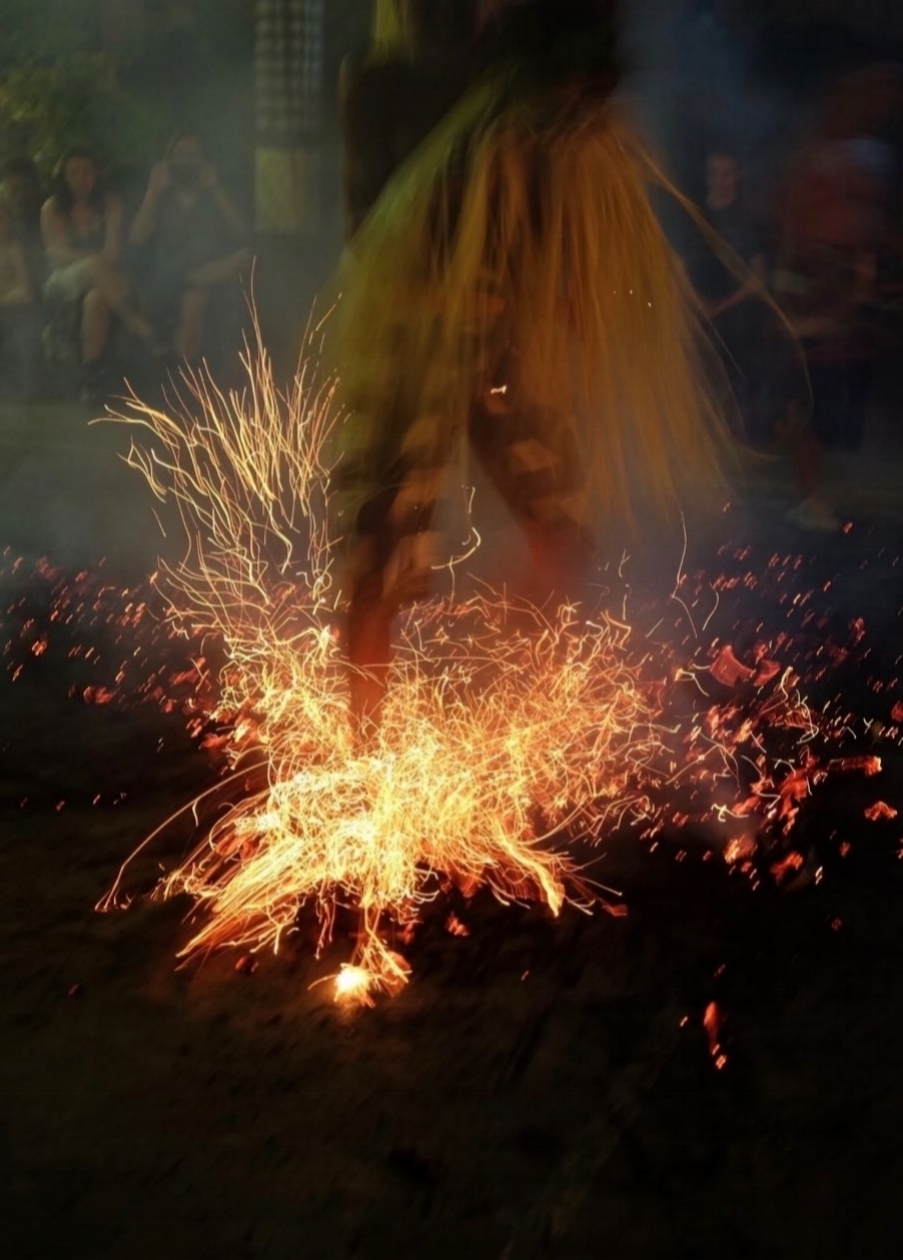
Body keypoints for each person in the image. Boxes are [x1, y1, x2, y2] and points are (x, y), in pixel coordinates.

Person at [330, 0, 736, 736]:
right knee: (378, 562)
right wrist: (443, 284)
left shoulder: (536, 83)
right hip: (412, 339)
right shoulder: (388, 81)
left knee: (566, 531)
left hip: (500, 345)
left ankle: (501, 718)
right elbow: (369, 226)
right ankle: (362, 757)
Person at [129, 132, 252, 365]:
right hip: (166, 275)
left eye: (193, 154)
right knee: (194, 301)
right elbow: (136, 239)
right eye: (180, 154)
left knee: (246, 257)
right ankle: (185, 378)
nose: (187, 160)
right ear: (169, 159)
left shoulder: (213, 196)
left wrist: (215, 189)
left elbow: (241, 231)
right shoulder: (161, 197)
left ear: (203, 159)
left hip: (208, 274)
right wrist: (153, 192)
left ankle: (187, 281)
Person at [40, 147, 154, 398]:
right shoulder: (53, 207)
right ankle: (139, 325)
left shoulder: (110, 204)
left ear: (96, 174)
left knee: (96, 300)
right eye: (75, 172)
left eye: (87, 171)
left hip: (106, 278)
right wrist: (92, 260)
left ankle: (91, 375)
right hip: (63, 279)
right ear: (64, 176)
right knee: (92, 266)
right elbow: (56, 253)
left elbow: (112, 253)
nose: (82, 178)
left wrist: (96, 262)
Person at [0, 200, 39, 397]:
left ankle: (27, 388)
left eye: (3, 219)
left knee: (24, 298)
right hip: (7, 299)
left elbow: (24, 285)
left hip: (11, 305)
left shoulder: (12, 247)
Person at [0, 156, 46, 295]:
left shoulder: (51, 217)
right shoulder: (5, 223)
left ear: (36, 187)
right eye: (14, 190)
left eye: (26, 188)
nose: (21, 196)